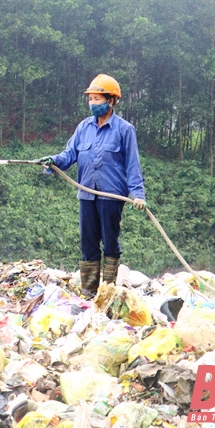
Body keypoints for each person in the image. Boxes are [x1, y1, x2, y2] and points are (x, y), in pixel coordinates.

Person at [34, 74, 146, 297]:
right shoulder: (84, 127)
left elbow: (132, 164)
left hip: (112, 196)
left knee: (110, 244)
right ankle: (88, 292)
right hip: (86, 195)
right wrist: (53, 161)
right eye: (90, 99)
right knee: (88, 244)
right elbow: (69, 154)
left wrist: (137, 193)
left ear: (111, 101)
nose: (93, 103)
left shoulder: (125, 130)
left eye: (97, 99)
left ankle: (108, 290)